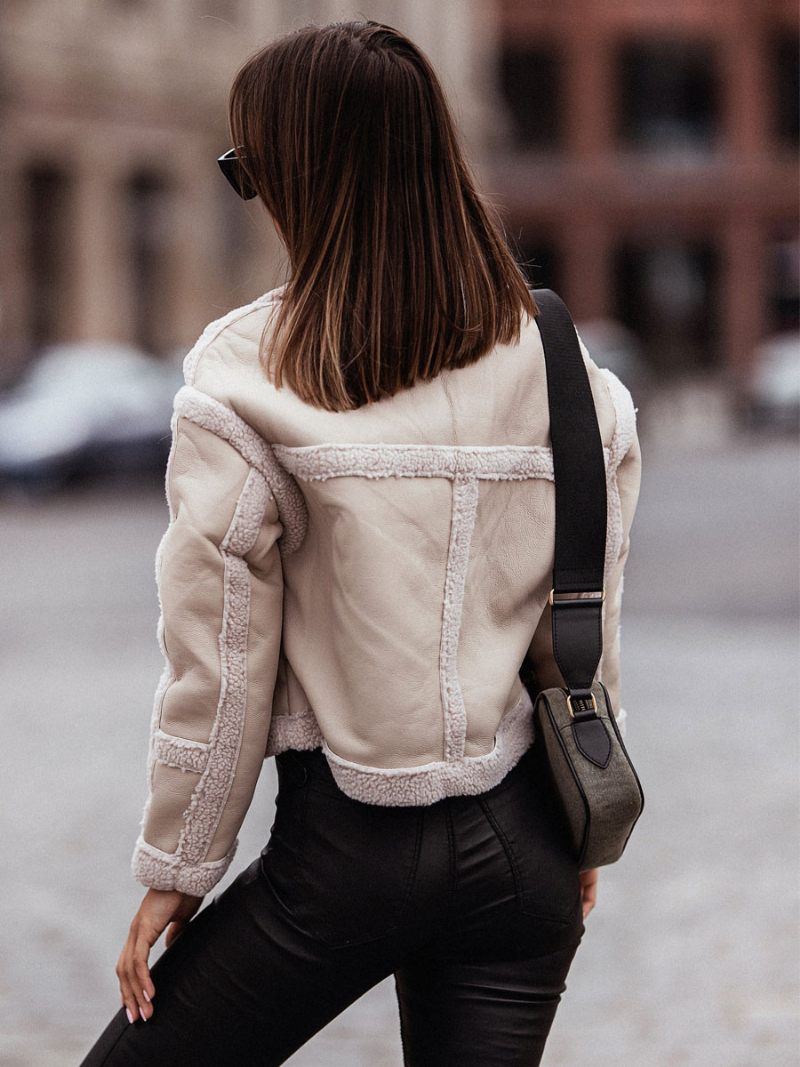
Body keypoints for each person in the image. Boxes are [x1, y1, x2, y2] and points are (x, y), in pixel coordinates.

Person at [80, 19, 642, 1067]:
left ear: (301, 177)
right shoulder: (574, 376)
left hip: (343, 854)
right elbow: (582, 627)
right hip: (528, 845)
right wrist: (583, 820)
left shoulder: (247, 374)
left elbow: (218, 659)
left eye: (248, 171)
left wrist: (179, 866)